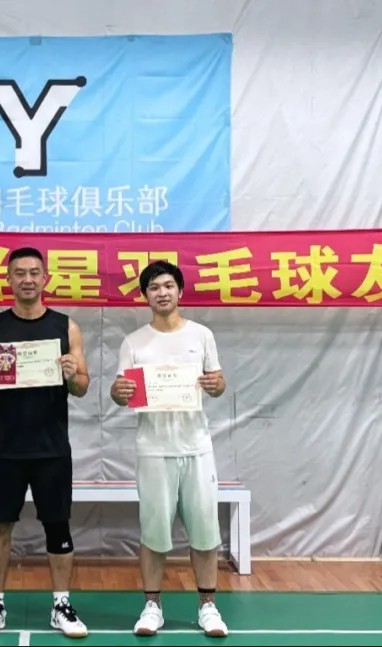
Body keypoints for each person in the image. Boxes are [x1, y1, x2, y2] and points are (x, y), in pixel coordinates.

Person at [0, 246, 91, 639]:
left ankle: (61, 604)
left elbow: (83, 387)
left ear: (45, 278)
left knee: (58, 525)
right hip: (4, 447)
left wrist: (72, 374)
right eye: (19, 273)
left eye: (34, 272)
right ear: (8, 279)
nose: (27, 279)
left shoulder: (67, 327)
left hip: (51, 447)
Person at [109, 260, 229, 638]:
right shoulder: (133, 342)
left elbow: (218, 382)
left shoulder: (201, 335)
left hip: (196, 447)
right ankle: (152, 607)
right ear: (145, 296)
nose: (162, 293)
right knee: (154, 532)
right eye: (154, 288)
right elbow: (119, 391)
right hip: (153, 449)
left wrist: (216, 385)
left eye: (168, 286)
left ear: (180, 291)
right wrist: (118, 392)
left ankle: (208, 607)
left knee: (205, 531)